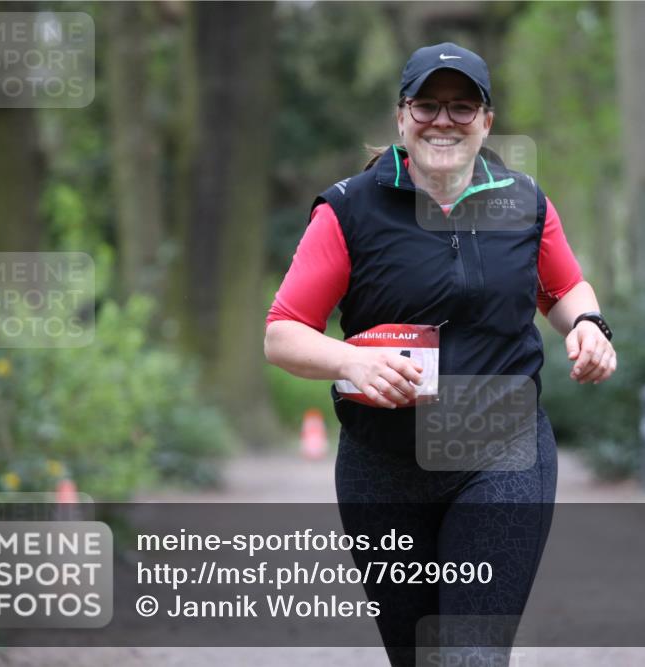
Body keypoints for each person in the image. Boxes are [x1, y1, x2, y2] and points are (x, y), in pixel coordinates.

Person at [264, 42, 616, 667]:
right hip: (383, 466)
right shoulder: (350, 209)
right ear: (401, 117)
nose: (443, 121)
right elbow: (284, 332)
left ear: (487, 121)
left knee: (469, 654)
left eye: (462, 106)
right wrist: (352, 362)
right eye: (427, 105)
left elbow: (563, 288)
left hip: (503, 452)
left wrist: (586, 324)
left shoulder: (525, 202)